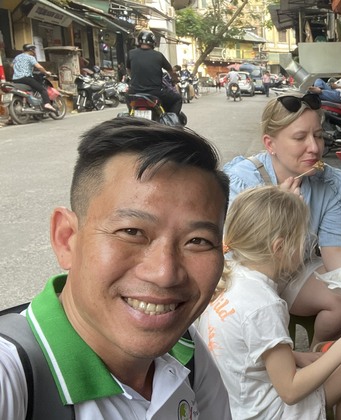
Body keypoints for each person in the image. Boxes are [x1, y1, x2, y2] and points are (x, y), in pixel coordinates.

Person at [0, 117, 232, 418]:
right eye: (132, 232)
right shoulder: (12, 376)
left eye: (197, 241)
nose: (165, 273)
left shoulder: (186, 351)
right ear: (67, 239)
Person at [199, 186, 341, 419]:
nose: (305, 247)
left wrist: (294, 356)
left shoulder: (229, 276)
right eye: (303, 240)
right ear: (279, 248)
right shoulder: (264, 305)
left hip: (236, 406)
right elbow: (290, 391)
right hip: (272, 413)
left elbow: (239, 351)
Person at [223, 92, 341, 348]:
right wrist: (281, 212)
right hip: (245, 277)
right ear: (270, 144)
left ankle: (318, 358)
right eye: (300, 138)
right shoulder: (242, 180)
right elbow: (235, 256)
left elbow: (334, 249)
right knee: (258, 312)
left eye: (318, 135)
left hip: (295, 272)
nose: (314, 148)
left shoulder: (328, 180)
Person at [126, 30, 182, 116]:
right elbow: (171, 71)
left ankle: (131, 115)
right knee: (177, 99)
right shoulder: (158, 55)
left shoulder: (131, 53)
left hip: (134, 92)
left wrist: (132, 77)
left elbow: (128, 69)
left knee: (128, 99)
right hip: (155, 93)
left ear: (139, 41)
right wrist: (175, 80)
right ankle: (171, 120)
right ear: (153, 42)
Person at [11, 44, 56, 112]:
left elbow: (12, 65)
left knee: (30, 88)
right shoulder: (30, 57)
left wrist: (18, 70)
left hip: (15, 79)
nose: (35, 52)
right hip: (26, 78)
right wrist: (46, 72)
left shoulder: (17, 57)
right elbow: (39, 67)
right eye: (34, 50)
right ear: (31, 50)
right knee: (42, 90)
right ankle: (47, 104)